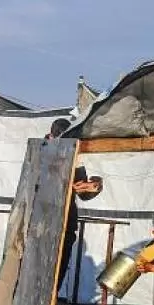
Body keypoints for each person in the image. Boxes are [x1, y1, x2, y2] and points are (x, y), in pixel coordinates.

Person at [46, 118, 103, 290]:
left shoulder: (73, 158)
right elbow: (38, 188)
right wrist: (65, 186)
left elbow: (84, 192)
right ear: (51, 137)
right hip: (42, 227)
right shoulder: (39, 153)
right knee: (37, 277)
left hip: (66, 226)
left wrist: (94, 186)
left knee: (57, 278)